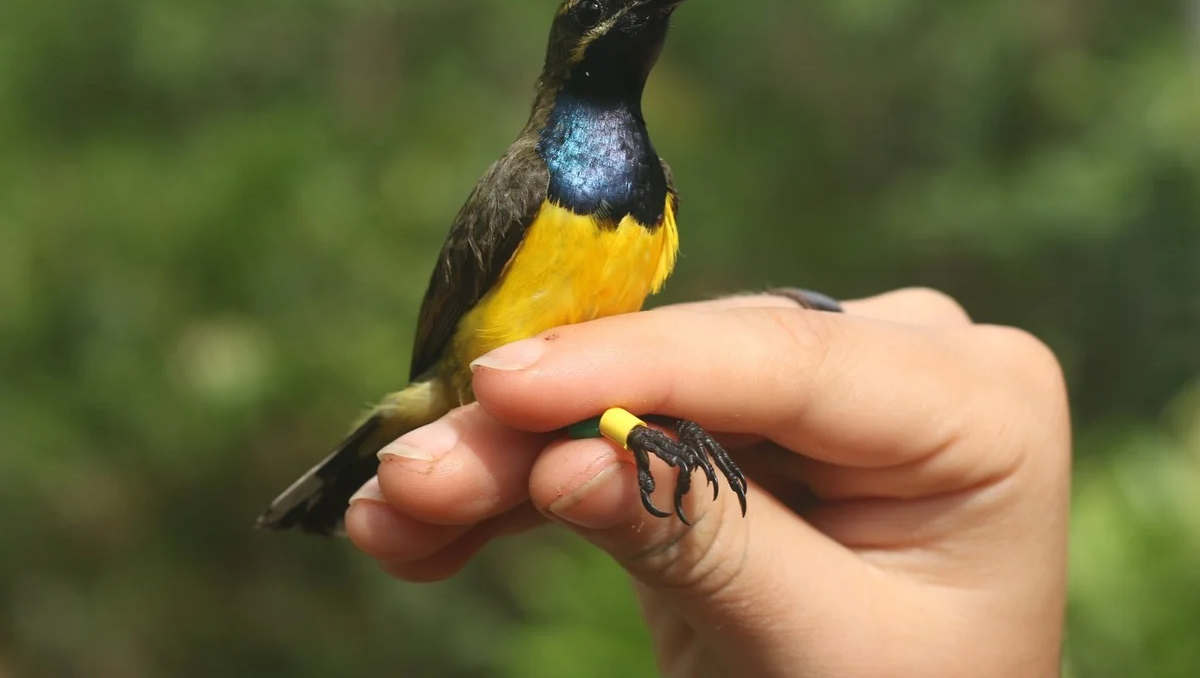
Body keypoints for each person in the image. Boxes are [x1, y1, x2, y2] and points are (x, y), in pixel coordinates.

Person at [344, 288, 1071, 677]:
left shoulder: (652, 198)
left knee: (577, 416)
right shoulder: (530, 179)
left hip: (565, 401)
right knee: (562, 416)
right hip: (487, 381)